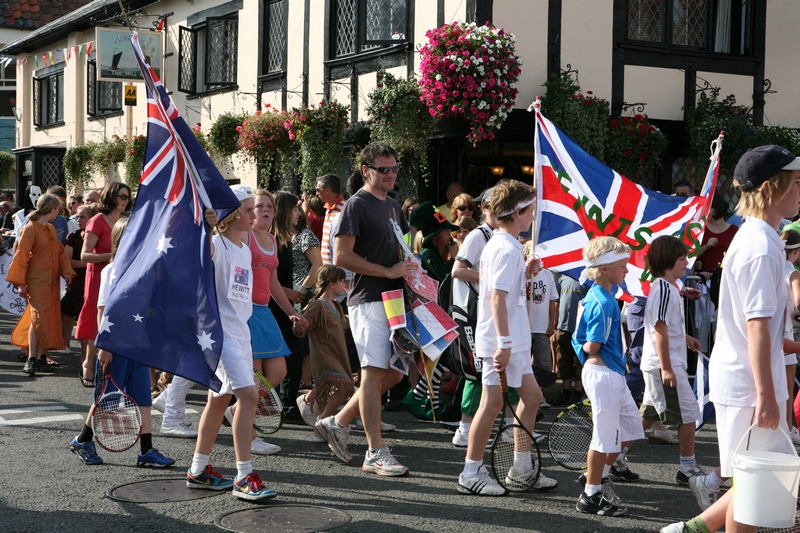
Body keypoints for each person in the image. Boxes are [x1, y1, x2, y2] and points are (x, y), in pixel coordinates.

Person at [662, 145, 800, 533]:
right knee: (757, 487)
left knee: (760, 484)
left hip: (746, 382)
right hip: (746, 386)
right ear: (771, 188)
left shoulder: (761, 238)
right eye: (796, 183)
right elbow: (756, 327)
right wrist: (768, 396)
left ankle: (689, 530)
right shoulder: (759, 245)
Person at [317, 141, 417, 476]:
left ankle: (339, 421)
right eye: (383, 170)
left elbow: (401, 250)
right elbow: (341, 256)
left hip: (394, 299)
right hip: (368, 299)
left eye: (394, 168)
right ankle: (375, 452)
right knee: (374, 373)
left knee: (397, 371)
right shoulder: (356, 205)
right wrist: (389, 272)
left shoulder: (391, 205)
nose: (390, 175)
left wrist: (412, 272)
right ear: (365, 171)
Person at [456, 178, 558, 495]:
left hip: (510, 341)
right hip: (502, 342)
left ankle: (521, 468)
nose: (533, 216)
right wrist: (504, 343)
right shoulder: (506, 248)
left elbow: (501, 291)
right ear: (518, 212)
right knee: (491, 404)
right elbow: (497, 299)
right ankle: (470, 473)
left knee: (532, 398)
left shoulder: (506, 246)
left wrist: (525, 273)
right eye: (530, 210)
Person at [186, 185, 280, 501]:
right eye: (250, 208)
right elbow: (197, 252)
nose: (255, 213)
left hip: (241, 333)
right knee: (249, 396)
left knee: (218, 400)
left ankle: (198, 469)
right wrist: (208, 225)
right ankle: (243, 475)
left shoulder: (243, 248)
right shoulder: (216, 244)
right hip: (220, 335)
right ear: (235, 212)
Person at [68, 217, 174, 468]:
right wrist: (104, 347)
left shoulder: (145, 270)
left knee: (143, 399)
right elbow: (102, 311)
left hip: (139, 346)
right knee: (107, 397)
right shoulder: (111, 270)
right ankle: (83, 439)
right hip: (116, 346)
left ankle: (146, 450)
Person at [573, 236, 645, 516]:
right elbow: (592, 344)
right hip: (603, 373)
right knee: (603, 438)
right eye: (622, 266)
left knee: (630, 428)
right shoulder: (604, 302)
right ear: (604, 269)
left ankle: (597, 474)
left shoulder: (598, 295)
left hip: (610, 371)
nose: (626, 271)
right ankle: (591, 494)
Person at [639, 235, 704, 487]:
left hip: (660, 364)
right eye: (681, 259)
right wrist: (666, 368)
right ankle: (687, 467)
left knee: (647, 416)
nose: (686, 263)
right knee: (688, 414)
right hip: (663, 365)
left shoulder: (667, 288)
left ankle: (614, 458)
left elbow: (665, 327)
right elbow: (659, 330)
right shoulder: (664, 289)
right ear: (667, 262)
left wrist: (685, 337)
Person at [8, 193, 75, 376]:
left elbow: (61, 254)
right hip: (36, 282)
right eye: (58, 209)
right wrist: (21, 283)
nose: (59, 212)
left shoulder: (50, 229)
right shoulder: (30, 228)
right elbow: (20, 256)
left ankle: (39, 357)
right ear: (52, 209)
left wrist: (67, 272)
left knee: (42, 318)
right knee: (38, 318)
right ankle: (31, 359)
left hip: (51, 283)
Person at [75, 183, 131, 392]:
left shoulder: (127, 220)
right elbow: (85, 255)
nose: (125, 200)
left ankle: (109, 363)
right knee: (95, 320)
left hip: (121, 275)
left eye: (128, 197)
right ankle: (88, 364)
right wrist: (113, 257)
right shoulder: (97, 221)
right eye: (122, 196)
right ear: (111, 197)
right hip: (99, 275)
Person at [294, 265, 355, 442]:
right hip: (323, 354)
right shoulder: (317, 305)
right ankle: (323, 421)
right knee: (345, 387)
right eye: (341, 281)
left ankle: (317, 431)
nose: (344, 284)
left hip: (338, 352)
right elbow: (303, 328)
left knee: (323, 394)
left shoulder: (336, 305)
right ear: (331, 283)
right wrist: (299, 326)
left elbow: (344, 323)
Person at [61, 204, 98, 386]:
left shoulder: (97, 236)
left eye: (82, 217)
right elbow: (69, 261)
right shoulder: (73, 237)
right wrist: (90, 262)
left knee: (91, 323)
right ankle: (82, 359)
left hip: (93, 281)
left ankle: (88, 362)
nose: (78, 220)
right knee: (74, 315)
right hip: (78, 283)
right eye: (77, 217)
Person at [552, 272, 587, 406]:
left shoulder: (585, 280)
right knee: (564, 360)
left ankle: (578, 393)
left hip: (579, 330)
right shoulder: (562, 279)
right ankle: (566, 392)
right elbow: (556, 302)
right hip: (563, 328)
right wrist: (554, 325)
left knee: (579, 362)